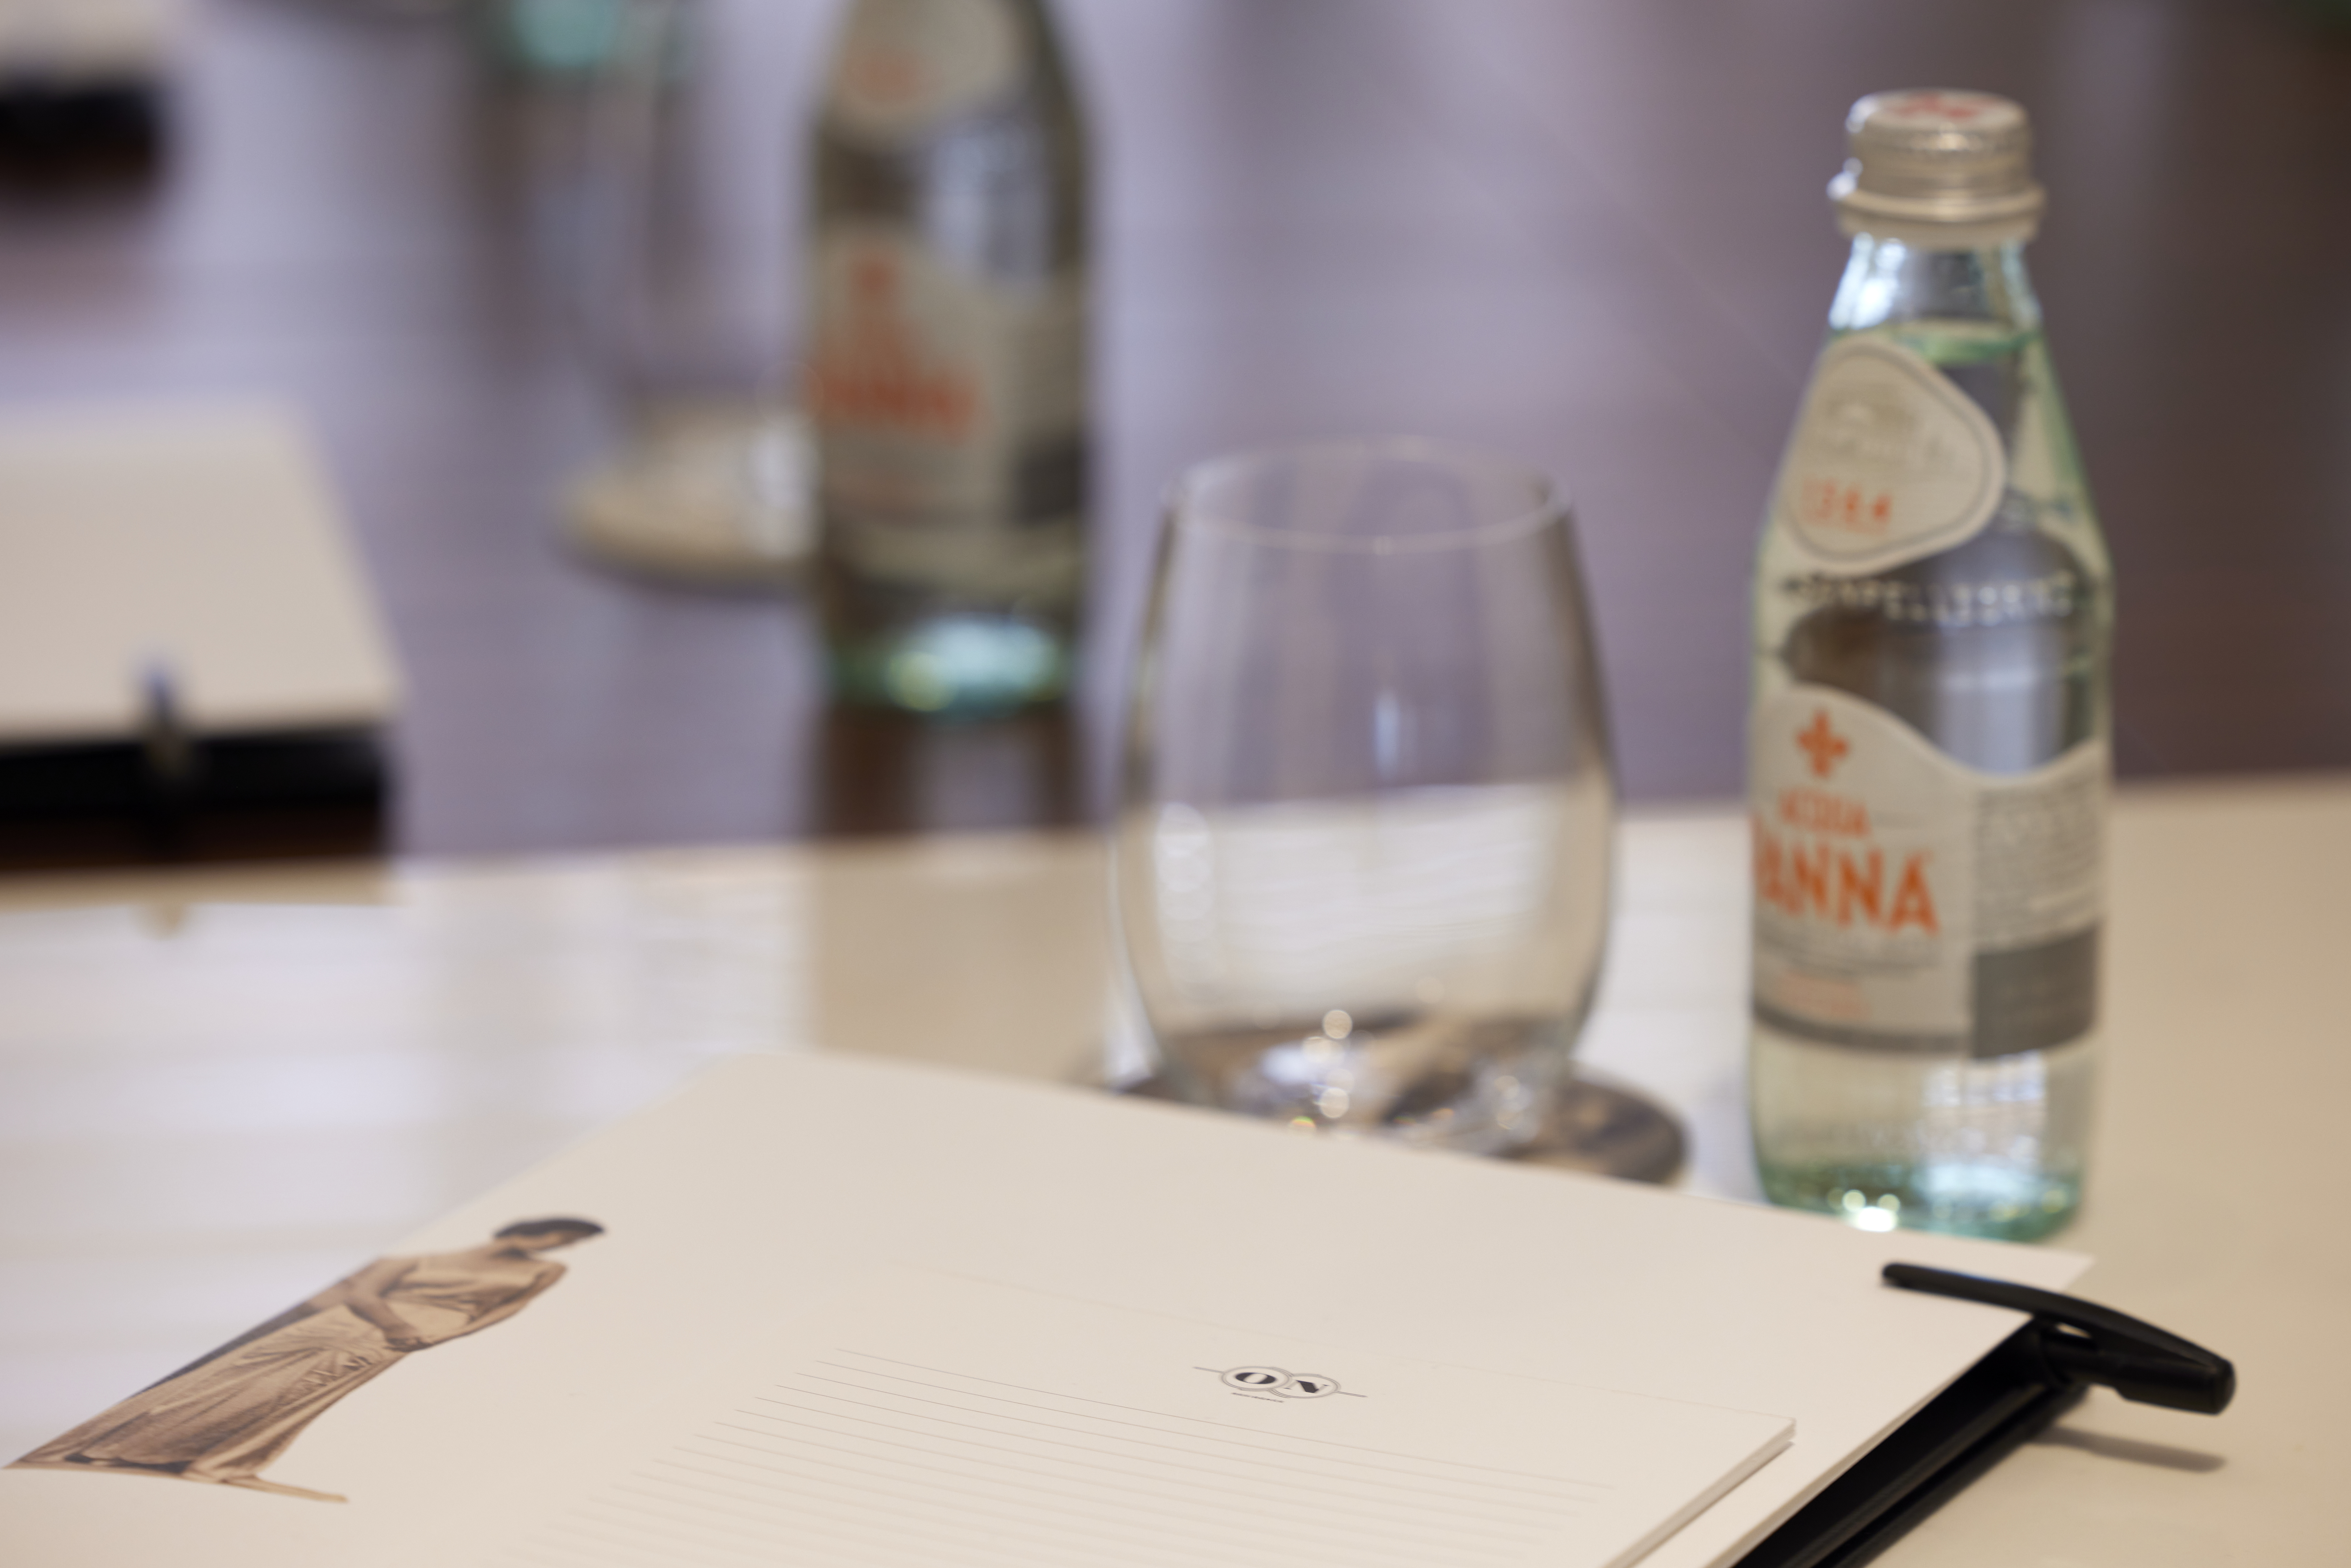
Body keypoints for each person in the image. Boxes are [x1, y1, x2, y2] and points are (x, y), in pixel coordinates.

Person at [10, 1217, 603, 1503]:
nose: (556, 1246)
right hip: (361, 1322)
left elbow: (507, 1310)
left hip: (414, 1335)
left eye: (565, 1242)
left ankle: (213, 1461)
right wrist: (397, 1323)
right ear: (527, 1228)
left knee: (303, 1396)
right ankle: (109, 1445)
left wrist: (442, 1335)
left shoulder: (546, 1271)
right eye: (553, 1235)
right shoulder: (416, 1257)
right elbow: (361, 1291)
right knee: (236, 1379)